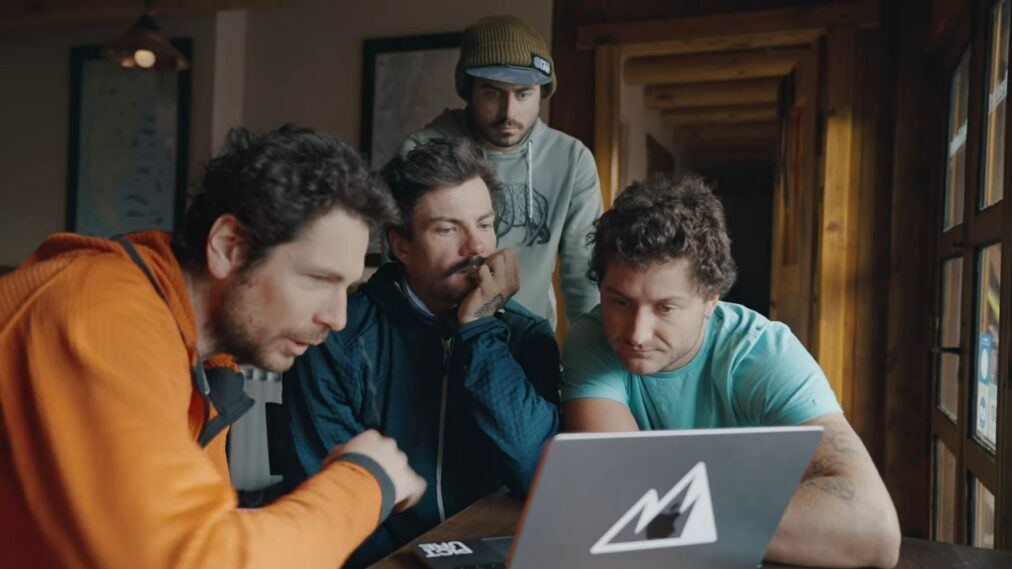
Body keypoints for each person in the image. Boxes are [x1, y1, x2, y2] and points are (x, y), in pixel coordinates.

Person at [0, 125, 426, 568]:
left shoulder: (205, 359)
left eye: (348, 287)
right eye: (319, 280)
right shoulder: (100, 313)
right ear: (229, 247)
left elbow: (206, 531)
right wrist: (366, 480)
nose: (337, 318)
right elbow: (195, 560)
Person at [561, 175, 902, 569]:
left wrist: (675, 514)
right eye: (619, 302)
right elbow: (619, 489)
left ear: (710, 300)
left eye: (665, 308)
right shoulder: (592, 337)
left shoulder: (762, 352)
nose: (636, 334)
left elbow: (874, 529)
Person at [283, 137, 561, 567]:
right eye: (448, 229)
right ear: (401, 245)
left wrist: (481, 329)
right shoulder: (335, 339)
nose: (477, 249)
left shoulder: (526, 335)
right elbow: (327, 501)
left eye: (485, 224)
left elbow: (536, 474)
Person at [400, 15, 602, 329]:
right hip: (430, 339)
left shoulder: (572, 160)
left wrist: (586, 362)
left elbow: (584, 280)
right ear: (468, 90)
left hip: (528, 340)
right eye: (493, 93)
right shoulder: (422, 149)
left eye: (523, 94)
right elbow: (397, 264)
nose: (509, 113)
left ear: (542, 93)